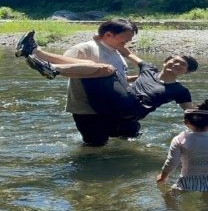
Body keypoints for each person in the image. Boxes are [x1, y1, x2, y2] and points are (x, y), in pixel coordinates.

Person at [16, 25, 197, 146]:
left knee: (106, 69)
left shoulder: (180, 90)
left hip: (132, 109)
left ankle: (50, 66)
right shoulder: (148, 69)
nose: (176, 64)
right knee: (99, 68)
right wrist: (101, 39)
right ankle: (37, 53)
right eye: (174, 60)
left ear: (186, 72)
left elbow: (190, 111)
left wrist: (204, 132)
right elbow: (126, 51)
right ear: (167, 61)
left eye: (182, 65)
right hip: (119, 101)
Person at [156, 99, 208, 192]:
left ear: (186, 122)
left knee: (170, 195)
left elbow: (172, 162)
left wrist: (163, 177)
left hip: (187, 183)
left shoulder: (180, 140)